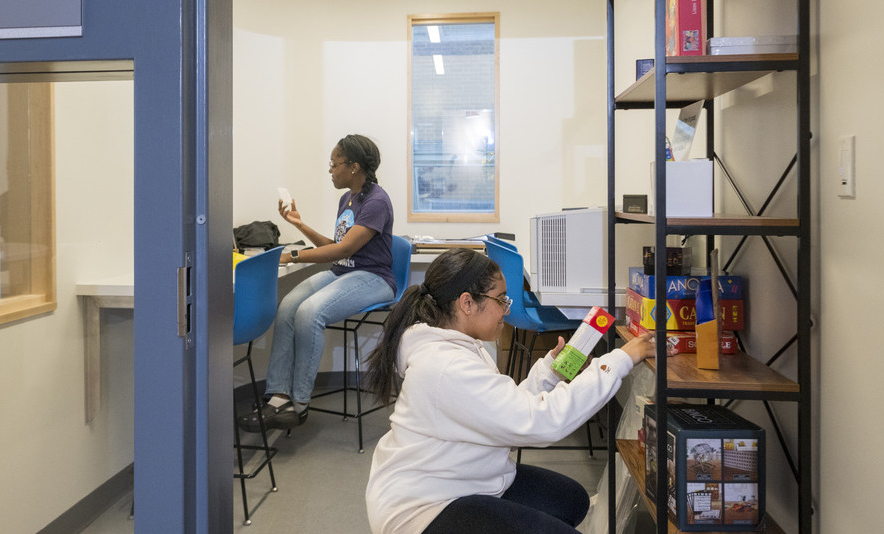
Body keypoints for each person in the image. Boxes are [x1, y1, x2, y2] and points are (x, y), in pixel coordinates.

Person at [362, 249, 655, 534]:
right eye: (501, 299)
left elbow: (504, 408)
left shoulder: (460, 345)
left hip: (462, 476)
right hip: (424, 507)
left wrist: (551, 371)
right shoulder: (446, 366)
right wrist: (620, 360)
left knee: (572, 502)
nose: (507, 308)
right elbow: (541, 422)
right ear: (467, 303)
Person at [238, 134, 396, 432]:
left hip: (374, 278)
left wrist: (294, 256)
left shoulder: (377, 201)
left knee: (310, 313)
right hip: (343, 272)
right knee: (287, 307)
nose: (330, 170)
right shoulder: (347, 198)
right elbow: (335, 245)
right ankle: (278, 396)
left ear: (354, 167)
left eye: (334, 164)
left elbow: (344, 250)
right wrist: (299, 224)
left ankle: (298, 405)